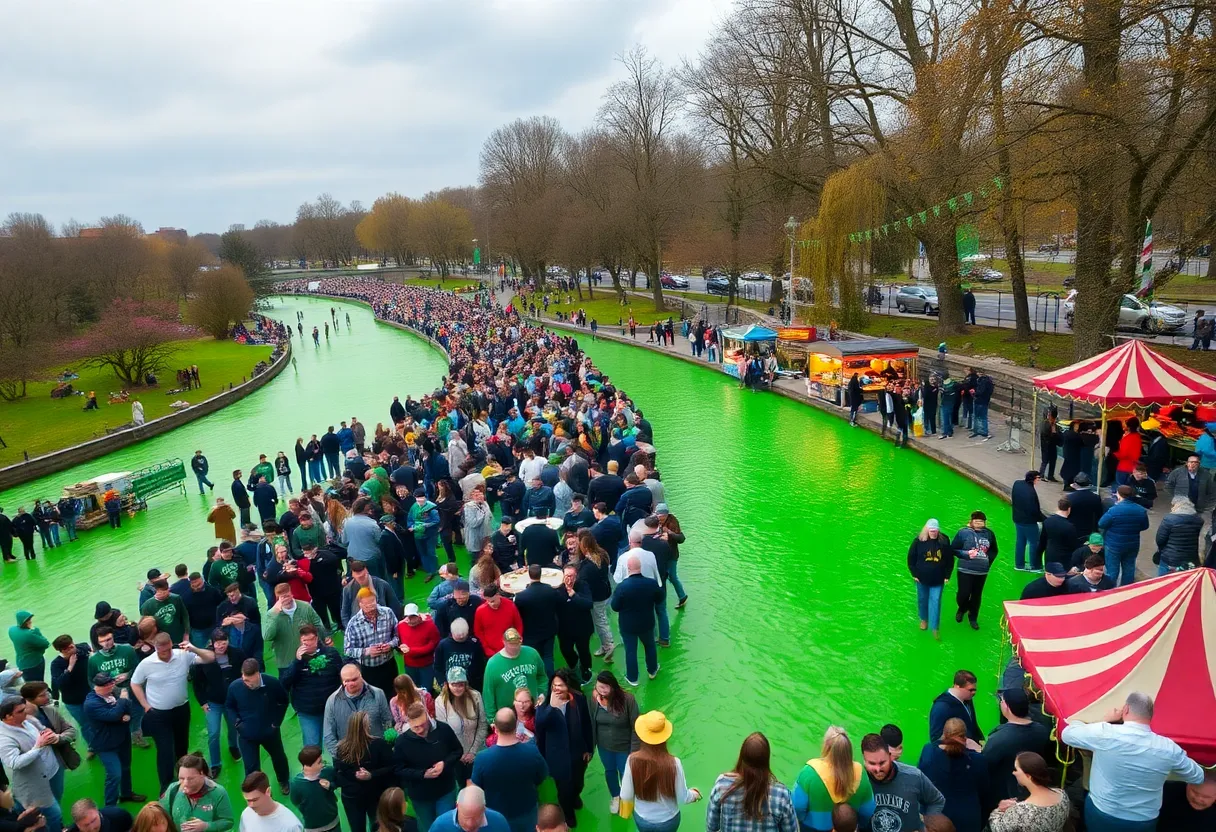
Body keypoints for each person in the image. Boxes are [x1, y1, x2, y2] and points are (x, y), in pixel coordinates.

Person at [1063, 691, 1205, 830]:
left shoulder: (1105, 733)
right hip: (1142, 820)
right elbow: (1197, 776)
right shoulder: (1169, 749)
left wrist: (1105, 720)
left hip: (1102, 811)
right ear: (1151, 716)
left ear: (1125, 709)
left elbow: (1068, 734)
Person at [130, 634, 216, 794]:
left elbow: (210, 657)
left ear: (172, 644)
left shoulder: (182, 655)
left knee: (182, 747)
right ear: (156, 648)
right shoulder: (147, 663)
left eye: (169, 649)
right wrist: (145, 705)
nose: (167, 654)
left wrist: (194, 648)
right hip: (158, 714)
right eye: (163, 651)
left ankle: (183, 780)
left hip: (181, 710)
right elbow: (135, 683)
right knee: (165, 750)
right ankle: (165, 787)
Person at [619, 711, 701, 832]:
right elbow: (682, 798)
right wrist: (694, 794)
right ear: (665, 736)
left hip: (643, 818)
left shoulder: (632, 760)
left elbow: (625, 795)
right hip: (668, 820)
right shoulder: (674, 763)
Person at [471, 707, 550, 832]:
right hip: (527, 814)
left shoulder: (482, 758)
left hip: (496, 818)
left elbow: (476, 787)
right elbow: (542, 778)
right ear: (516, 726)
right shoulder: (532, 752)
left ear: (495, 729)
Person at [534, 669, 593, 827]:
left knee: (578, 782)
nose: (557, 688)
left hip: (577, 753)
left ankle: (575, 796)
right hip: (557, 757)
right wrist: (552, 708)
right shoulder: (545, 705)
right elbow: (539, 725)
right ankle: (568, 813)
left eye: (560, 685)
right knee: (564, 789)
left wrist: (589, 748)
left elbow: (587, 724)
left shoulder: (579, 700)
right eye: (554, 685)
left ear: (569, 685)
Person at [393, 700, 463, 830]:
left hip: (445, 790)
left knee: (448, 827)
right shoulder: (402, 742)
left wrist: (444, 763)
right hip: (421, 796)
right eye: (415, 727)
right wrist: (422, 774)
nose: (419, 730)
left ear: (427, 716)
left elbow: (458, 751)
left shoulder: (443, 729)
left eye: (422, 725)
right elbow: (398, 769)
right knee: (427, 828)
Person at [708, 732, 798, 832]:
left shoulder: (722, 786)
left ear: (742, 757)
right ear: (766, 760)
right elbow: (791, 829)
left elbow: (711, 827)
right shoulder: (781, 795)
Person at [0, 695, 64, 832]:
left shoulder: (26, 720)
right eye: (21, 711)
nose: (26, 712)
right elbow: (14, 762)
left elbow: (40, 731)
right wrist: (38, 746)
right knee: (54, 813)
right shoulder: (3, 738)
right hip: (34, 782)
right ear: (8, 717)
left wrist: (47, 733)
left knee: (56, 799)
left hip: (53, 770)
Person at [224, 659, 290, 793]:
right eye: (244, 680)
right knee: (251, 767)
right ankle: (260, 791)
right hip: (246, 735)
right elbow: (230, 706)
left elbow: (283, 701)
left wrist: (276, 723)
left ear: (258, 674)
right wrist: (237, 723)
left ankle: (283, 781)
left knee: (279, 757)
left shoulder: (272, 683)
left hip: (270, 732)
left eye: (250, 681)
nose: (247, 684)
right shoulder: (235, 687)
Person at [792, 726, 874, 831]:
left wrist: (802, 821)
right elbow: (868, 810)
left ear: (826, 746)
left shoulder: (809, 772)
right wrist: (858, 825)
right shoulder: (860, 773)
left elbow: (797, 806)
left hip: (812, 827)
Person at [859, 733, 945, 832]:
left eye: (882, 763)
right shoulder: (859, 780)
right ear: (864, 760)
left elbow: (936, 800)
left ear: (890, 756)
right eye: (872, 763)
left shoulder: (914, 776)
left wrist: (928, 825)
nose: (878, 769)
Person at [981, 688, 1051, 805]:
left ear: (1007, 707)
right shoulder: (1042, 730)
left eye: (1002, 701)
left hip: (1005, 793)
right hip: (1033, 788)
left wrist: (979, 750)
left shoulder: (999, 738)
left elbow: (985, 764)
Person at [916, 718, 988, 832]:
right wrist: (979, 751)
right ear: (965, 737)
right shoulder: (978, 760)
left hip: (937, 820)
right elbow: (985, 791)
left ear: (944, 734)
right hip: (968, 819)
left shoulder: (928, 752)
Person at [279, 625, 342, 750]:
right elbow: (284, 683)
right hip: (308, 711)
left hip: (331, 708)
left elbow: (342, 674)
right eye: (304, 641)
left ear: (317, 638)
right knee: (312, 747)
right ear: (300, 641)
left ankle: (339, 768)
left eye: (311, 639)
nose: (308, 643)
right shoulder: (296, 661)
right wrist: (297, 662)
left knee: (337, 744)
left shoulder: (331, 654)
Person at [190, 629, 243, 779]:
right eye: (217, 643)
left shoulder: (237, 654)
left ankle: (233, 746)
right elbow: (197, 682)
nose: (221, 646)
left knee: (234, 727)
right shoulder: (203, 659)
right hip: (213, 702)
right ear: (212, 643)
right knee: (213, 733)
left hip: (232, 701)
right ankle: (215, 763)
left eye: (224, 642)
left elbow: (243, 674)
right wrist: (202, 702)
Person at [332, 713, 395, 832]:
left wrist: (363, 775)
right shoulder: (379, 745)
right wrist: (370, 775)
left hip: (354, 796)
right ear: (365, 727)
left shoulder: (341, 748)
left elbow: (339, 773)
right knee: (378, 826)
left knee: (358, 827)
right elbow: (391, 767)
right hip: (373, 794)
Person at [590, 671, 640, 815]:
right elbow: (592, 724)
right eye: (599, 687)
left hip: (624, 747)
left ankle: (627, 798)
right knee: (610, 772)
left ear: (613, 687)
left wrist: (635, 750)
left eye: (605, 687)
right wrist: (590, 747)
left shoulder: (628, 700)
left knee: (626, 773)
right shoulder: (594, 701)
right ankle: (615, 796)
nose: (602, 691)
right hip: (604, 747)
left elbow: (636, 726)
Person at [611, 555, 665, 686]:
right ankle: (652, 670)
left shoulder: (622, 587)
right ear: (640, 567)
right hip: (647, 623)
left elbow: (615, 607)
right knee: (650, 646)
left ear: (628, 568)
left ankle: (633, 678)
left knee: (630, 651)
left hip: (628, 626)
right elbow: (660, 599)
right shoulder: (651, 583)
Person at [985, 752, 1069, 832]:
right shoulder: (1062, 795)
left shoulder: (1021, 811)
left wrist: (999, 810)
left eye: (1016, 769)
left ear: (1028, 776)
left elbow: (998, 828)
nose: (1013, 773)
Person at [321, 664, 392, 760]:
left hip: (376, 755)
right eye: (347, 681)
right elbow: (328, 734)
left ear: (361, 676)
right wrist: (341, 757)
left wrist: (384, 748)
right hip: (346, 757)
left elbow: (387, 721)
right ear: (342, 681)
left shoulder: (378, 694)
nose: (351, 684)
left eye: (354, 679)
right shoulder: (332, 701)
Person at [433, 667, 487, 785]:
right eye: (454, 685)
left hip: (477, 751)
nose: (457, 688)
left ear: (466, 684)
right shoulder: (440, 702)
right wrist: (459, 754)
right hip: (455, 755)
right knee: (462, 787)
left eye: (461, 685)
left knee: (480, 785)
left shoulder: (476, 696)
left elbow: (482, 725)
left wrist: (473, 752)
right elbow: (443, 734)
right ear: (447, 684)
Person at [343, 589, 400, 700]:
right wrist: (366, 651)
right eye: (367, 607)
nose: (371, 609)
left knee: (394, 696)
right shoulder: (353, 623)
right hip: (368, 670)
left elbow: (398, 635)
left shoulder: (388, 613)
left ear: (376, 600)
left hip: (389, 665)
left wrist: (391, 645)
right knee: (375, 699)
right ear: (360, 605)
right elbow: (347, 649)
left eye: (373, 604)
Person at [159, 753, 235, 832]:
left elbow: (228, 822)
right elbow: (162, 815)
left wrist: (206, 826)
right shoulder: (173, 789)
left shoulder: (218, 792)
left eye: (190, 779)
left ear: (202, 774)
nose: (185, 783)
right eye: (181, 778)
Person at [483, 629, 548, 719]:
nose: (514, 647)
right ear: (504, 642)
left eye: (517, 643)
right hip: (507, 717)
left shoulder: (532, 654)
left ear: (521, 641)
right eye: (511, 644)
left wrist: (542, 693)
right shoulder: (493, 664)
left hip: (532, 713)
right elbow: (488, 694)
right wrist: (492, 719)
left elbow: (542, 677)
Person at [261, 584, 326, 672]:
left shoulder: (305, 607)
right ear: (277, 599)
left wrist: (322, 643)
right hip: (285, 662)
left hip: (307, 658)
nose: (286, 600)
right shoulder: (271, 614)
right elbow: (267, 636)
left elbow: (319, 626)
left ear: (292, 594)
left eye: (287, 596)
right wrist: (275, 613)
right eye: (282, 597)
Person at [950, 512, 997, 630]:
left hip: (981, 571)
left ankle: (973, 617)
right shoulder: (963, 533)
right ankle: (962, 608)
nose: (979, 523)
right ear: (971, 521)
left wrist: (987, 562)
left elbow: (993, 550)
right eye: (976, 521)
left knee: (976, 595)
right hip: (965, 569)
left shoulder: (989, 534)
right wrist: (965, 554)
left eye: (981, 521)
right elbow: (954, 549)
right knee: (963, 594)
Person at [908, 519, 954, 640]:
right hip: (921, 578)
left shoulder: (944, 540)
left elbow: (949, 559)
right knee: (922, 599)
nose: (934, 533)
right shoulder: (918, 541)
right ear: (927, 530)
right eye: (932, 531)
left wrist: (947, 575)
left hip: (938, 579)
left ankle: (934, 627)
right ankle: (924, 619)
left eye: (936, 531)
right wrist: (914, 573)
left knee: (936, 601)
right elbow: (911, 558)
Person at [514, 564, 561, 679]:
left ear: (529, 575)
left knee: (533, 658)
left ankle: (536, 679)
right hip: (549, 630)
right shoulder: (551, 590)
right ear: (541, 574)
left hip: (531, 634)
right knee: (548, 657)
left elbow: (518, 614)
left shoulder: (521, 597)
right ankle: (550, 680)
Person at [1097, 485, 1149, 586]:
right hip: (1133, 543)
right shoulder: (1141, 510)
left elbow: (1101, 523)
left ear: (1119, 495)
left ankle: (1110, 590)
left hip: (1113, 544)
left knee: (1112, 570)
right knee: (1129, 568)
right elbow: (1145, 526)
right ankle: (1126, 590)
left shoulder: (1114, 510)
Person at [288, 746, 338, 832]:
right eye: (319, 762)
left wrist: (330, 786)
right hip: (313, 828)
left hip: (333, 823)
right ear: (308, 765)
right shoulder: (296, 784)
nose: (322, 764)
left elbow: (338, 782)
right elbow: (295, 801)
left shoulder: (328, 772)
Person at [929, 670, 984, 746]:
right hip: (956, 752)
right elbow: (935, 739)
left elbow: (972, 723)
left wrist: (980, 739)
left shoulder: (967, 698)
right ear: (957, 686)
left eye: (974, 690)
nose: (974, 693)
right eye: (970, 690)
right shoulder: (941, 708)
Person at [395, 603, 439, 695]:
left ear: (418, 615)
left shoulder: (429, 625)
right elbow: (398, 642)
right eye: (407, 617)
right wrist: (400, 648)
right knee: (413, 690)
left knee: (427, 690)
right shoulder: (401, 626)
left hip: (426, 665)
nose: (410, 620)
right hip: (409, 665)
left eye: (413, 617)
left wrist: (411, 651)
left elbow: (433, 645)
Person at [1154, 495, 1203, 574]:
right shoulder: (1198, 520)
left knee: (1165, 582)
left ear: (1176, 505)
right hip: (1191, 559)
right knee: (1184, 582)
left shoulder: (1169, 519)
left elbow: (1159, 540)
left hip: (1170, 559)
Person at [429, 785, 510, 832]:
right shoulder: (440, 825)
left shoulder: (498, 822)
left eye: (476, 817)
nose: (470, 824)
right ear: (457, 806)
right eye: (466, 817)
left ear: (484, 808)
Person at [473, 586, 523, 659]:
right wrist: (487, 649)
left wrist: (516, 642)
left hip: (510, 648)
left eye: (493, 601)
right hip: (491, 652)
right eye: (488, 601)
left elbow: (518, 625)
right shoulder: (480, 611)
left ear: (498, 595)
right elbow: (478, 632)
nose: (491, 604)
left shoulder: (510, 605)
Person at [1033, 498, 1076, 573]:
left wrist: (1037, 560)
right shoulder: (1069, 526)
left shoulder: (1047, 521)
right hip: (1064, 559)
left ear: (1058, 507)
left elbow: (1042, 542)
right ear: (1069, 509)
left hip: (1050, 555)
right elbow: (1072, 545)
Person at [8, 613, 50, 683]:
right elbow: (46, 643)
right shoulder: (29, 634)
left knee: (30, 684)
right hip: (34, 663)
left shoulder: (11, 630)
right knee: (39, 683)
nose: (30, 621)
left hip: (21, 663)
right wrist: (36, 630)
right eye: (28, 620)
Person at [64, 800, 132, 832]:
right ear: (78, 825)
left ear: (97, 811)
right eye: (86, 825)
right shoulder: (72, 830)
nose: (92, 828)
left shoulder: (119, 815)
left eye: (93, 820)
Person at [1037, 413, 1060, 482]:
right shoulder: (1045, 424)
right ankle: (1041, 474)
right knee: (1045, 461)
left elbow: (1057, 434)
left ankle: (1050, 475)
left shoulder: (1055, 425)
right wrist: (1053, 433)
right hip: (1046, 446)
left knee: (1053, 461)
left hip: (1053, 445)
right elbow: (1045, 434)